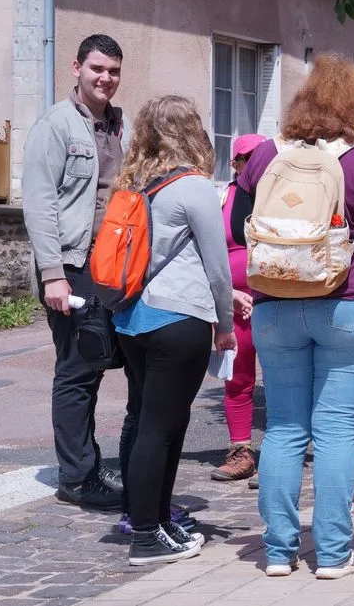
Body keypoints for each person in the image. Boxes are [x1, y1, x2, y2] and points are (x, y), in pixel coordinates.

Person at [231, 54, 354, 579]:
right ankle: (332, 553)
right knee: (336, 431)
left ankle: (279, 551)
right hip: (347, 306)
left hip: (275, 309)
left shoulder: (266, 155)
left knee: (284, 429)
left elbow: (237, 227)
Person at [111, 95, 235, 565]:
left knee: (157, 424)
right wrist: (225, 326)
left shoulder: (137, 184)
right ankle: (145, 536)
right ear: (192, 130)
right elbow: (217, 269)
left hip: (132, 320)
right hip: (178, 320)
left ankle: (158, 523)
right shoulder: (195, 187)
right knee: (159, 430)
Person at [22, 34, 131, 511]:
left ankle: (86, 464)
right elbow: (40, 204)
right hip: (72, 264)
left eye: (113, 71)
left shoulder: (113, 124)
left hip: (107, 266)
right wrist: (53, 275)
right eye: (97, 69)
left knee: (96, 365)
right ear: (76, 68)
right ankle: (75, 478)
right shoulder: (57, 125)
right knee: (77, 370)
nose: (105, 78)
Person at [210, 134, 266, 483]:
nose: (258, 165)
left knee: (282, 381)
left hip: (274, 300)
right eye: (249, 158)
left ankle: (279, 454)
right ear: (235, 164)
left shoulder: (279, 197)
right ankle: (240, 450)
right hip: (234, 303)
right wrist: (226, 293)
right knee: (238, 377)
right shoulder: (220, 198)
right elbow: (208, 252)